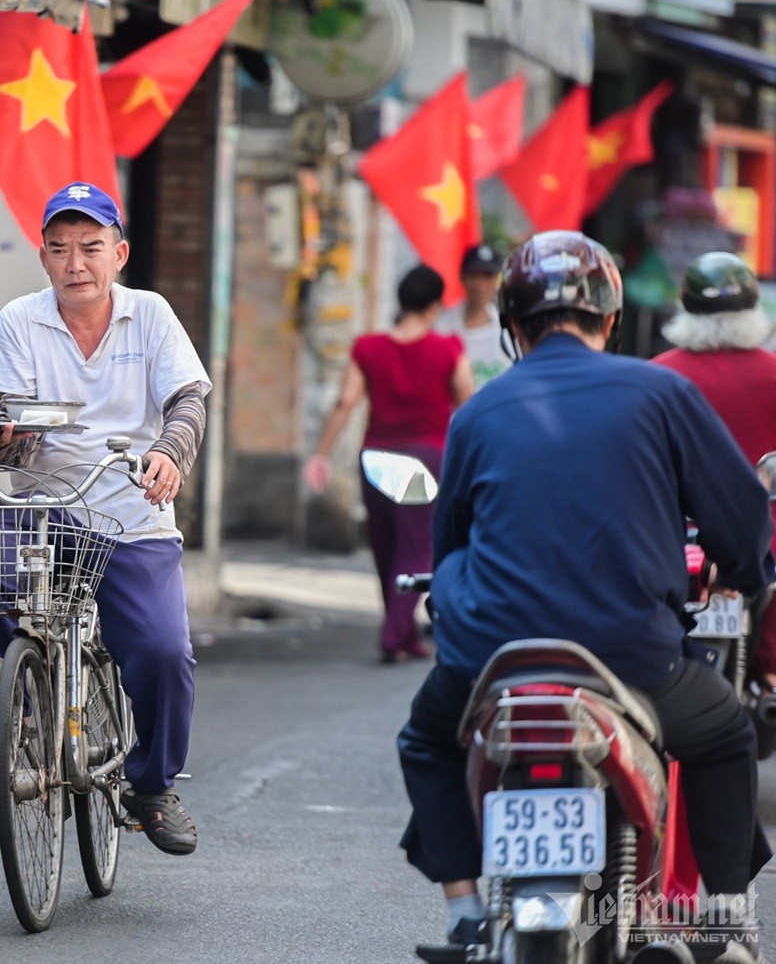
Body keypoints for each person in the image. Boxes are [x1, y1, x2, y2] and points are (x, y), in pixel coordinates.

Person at [397, 231, 774, 958]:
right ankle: (727, 922)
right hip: (632, 656)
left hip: (492, 658)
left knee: (425, 736)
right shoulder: (662, 391)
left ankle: (465, 912)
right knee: (727, 735)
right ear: (609, 320)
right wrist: (746, 573)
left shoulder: (478, 412)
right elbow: (740, 514)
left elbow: (451, 548)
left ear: (512, 326)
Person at [0, 181, 210, 856]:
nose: (76, 263)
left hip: (130, 511)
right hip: (43, 507)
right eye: (60, 249)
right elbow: (14, 436)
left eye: (91, 247)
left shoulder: (150, 315)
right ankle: (2, 693)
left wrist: (170, 451)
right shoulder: (18, 322)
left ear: (118, 252)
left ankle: (152, 785)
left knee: (162, 652)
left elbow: (187, 400)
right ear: (43, 258)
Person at [304, 265, 474, 663]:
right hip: (426, 460)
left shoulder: (368, 347)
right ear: (434, 305)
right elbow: (468, 405)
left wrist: (322, 453)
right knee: (416, 550)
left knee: (386, 548)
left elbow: (346, 402)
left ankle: (405, 634)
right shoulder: (448, 348)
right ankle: (393, 633)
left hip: (376, 460)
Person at [652, 252, 776, 692]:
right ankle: (770, 672)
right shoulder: (772, 373)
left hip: (670, 537)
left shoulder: (656, 376)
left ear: (686, 304)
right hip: (759, 538)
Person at [436, 243, 509, 389]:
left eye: (487, 277)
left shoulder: (507, 332)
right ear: (462, 277)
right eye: (474, 276)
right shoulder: (441, 328)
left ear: (497, 281)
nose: (480, 285)